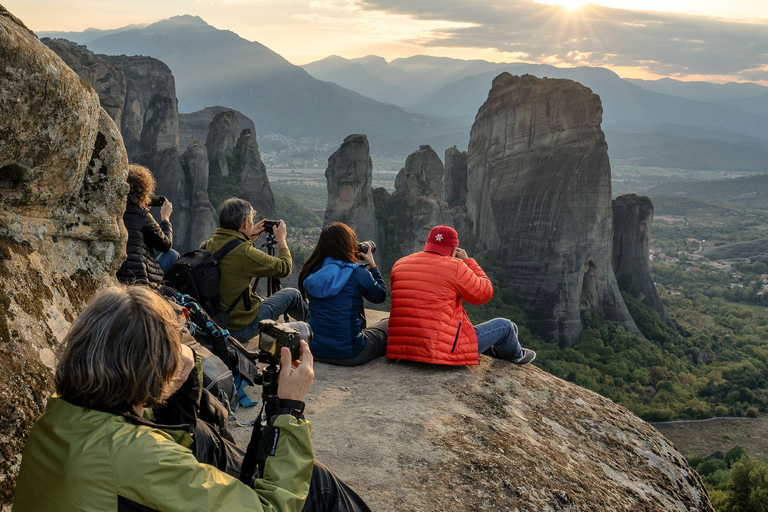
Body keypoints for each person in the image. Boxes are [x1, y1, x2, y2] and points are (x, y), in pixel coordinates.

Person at [13, 285, 370, 512]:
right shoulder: (135, 456)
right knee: (318, 486)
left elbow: (174, 438)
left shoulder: (56, 419)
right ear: (154, 366)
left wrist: (183, 369)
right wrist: (290, 409)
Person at [387, 225, 536, 366]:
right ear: (454, 250)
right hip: (440, 353)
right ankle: (517, 356)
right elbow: (485, 293)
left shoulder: (400, 264)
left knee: (511, 328)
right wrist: (468, 261)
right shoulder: (455, 266)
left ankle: (499, 349)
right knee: (506, 326)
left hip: (403, 350)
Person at [201, 197, 308, 343]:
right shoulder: (245, 252)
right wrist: (281, 239)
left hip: (215, 324)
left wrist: (247, 237)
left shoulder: (207, 245)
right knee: (292, 295)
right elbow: (284, 267)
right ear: (245, 223)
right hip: (238, 330)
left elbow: (231, 255)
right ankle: (319, 330)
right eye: (250, 220)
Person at [298, 222, 388, 366]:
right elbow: (379, 296)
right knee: (387, 324)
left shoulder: (312, 270)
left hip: (316, 350)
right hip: (351, 353)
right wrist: (373, 267)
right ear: (349, 245)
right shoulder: (358, 273)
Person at [116, 164, 179, 285]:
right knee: (172, 254)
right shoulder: (141, 215)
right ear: (144, 190)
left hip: (117, 276)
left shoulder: (112, 211)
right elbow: (165, 245)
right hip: (141, 280)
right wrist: (165, 218)